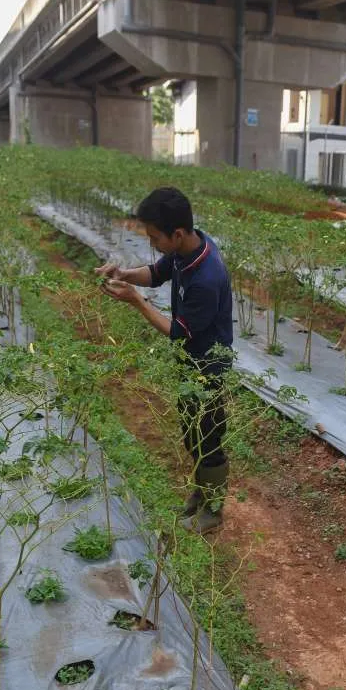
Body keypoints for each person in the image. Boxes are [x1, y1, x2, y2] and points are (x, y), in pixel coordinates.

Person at [95, 187, 234, 534]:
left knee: (208, 437)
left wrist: (137, 302)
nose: (153, 243)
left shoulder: (207, 277)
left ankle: (213, 510)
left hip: (208, 366)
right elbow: (157, 274)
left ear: (177, 233)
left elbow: (178, 330)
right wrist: (126, 275)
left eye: (155, 237)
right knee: (192, 433)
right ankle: (201, 496)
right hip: (190, 362)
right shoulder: (185, 248)